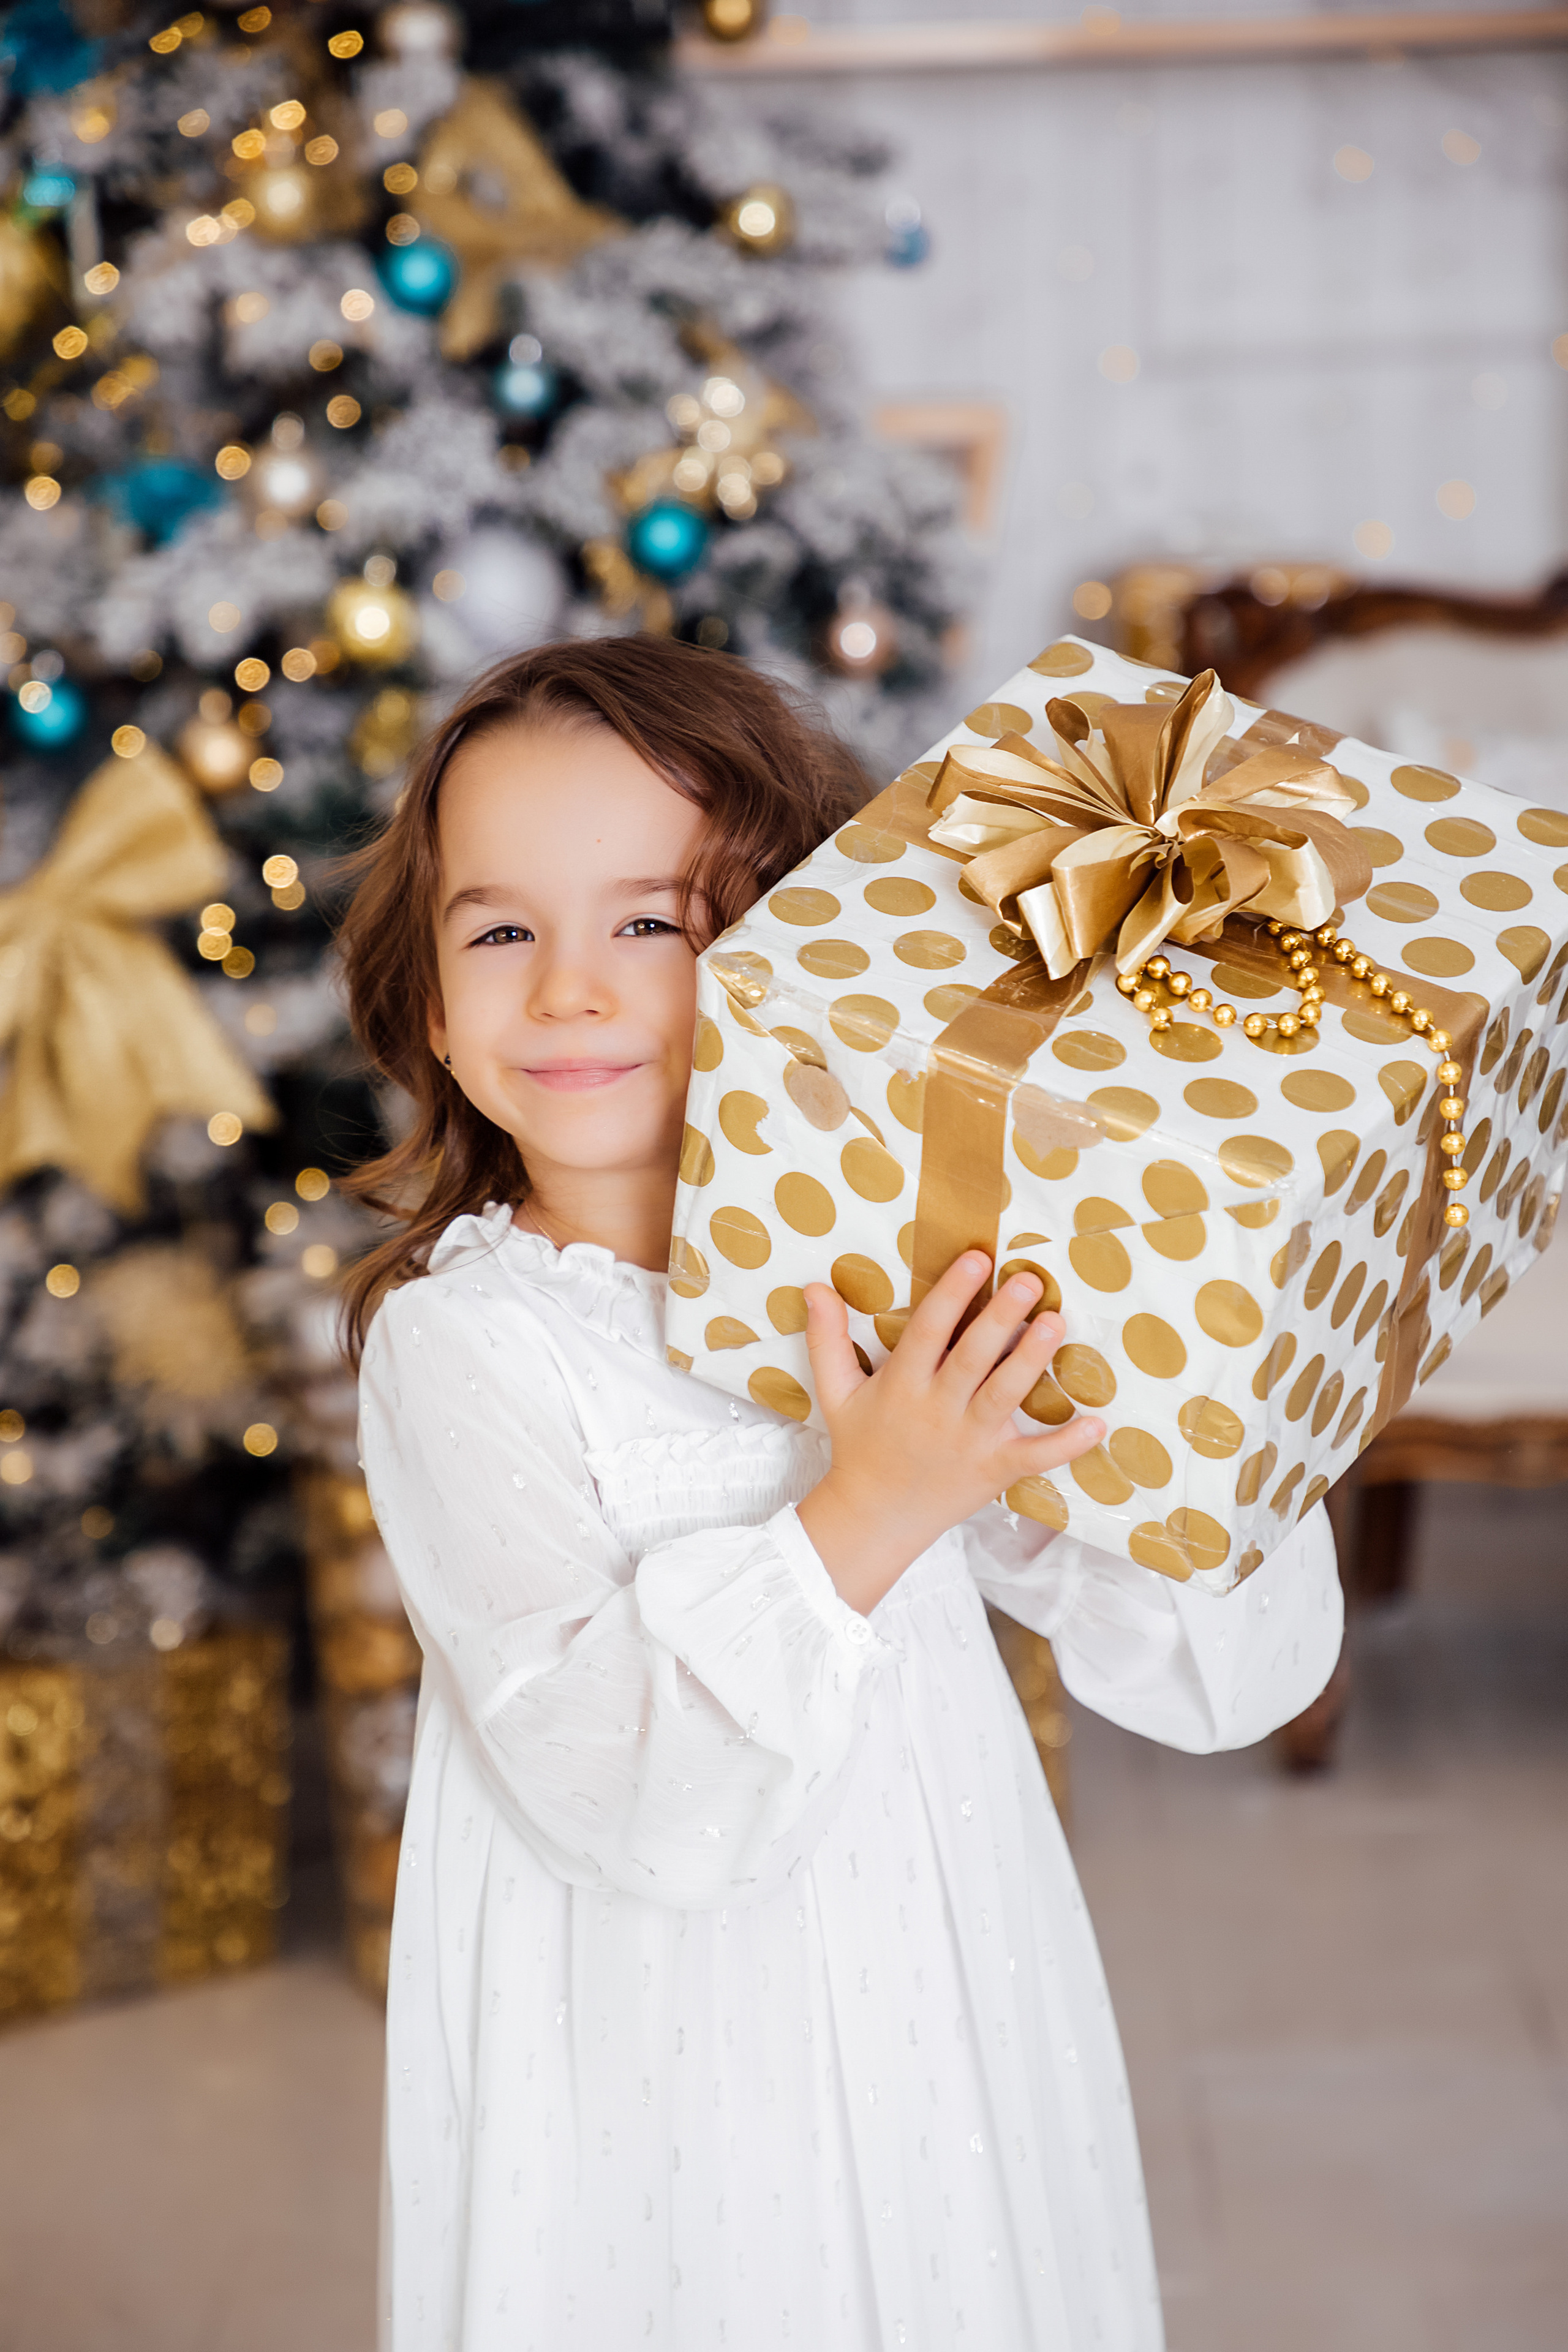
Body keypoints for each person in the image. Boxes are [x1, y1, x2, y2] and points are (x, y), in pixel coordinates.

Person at [339, 636, 1341, 2352]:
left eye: (653, 923)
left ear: (801, 955)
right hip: (660, 2081)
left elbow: (1202, 1665)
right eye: (500, 933)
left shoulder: (889, 1287)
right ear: (432, 1003)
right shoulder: (467, 1346)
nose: (569, 990)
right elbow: (623, 1791)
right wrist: (872, 1501)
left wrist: (1210, 1377)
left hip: (937, 1998)